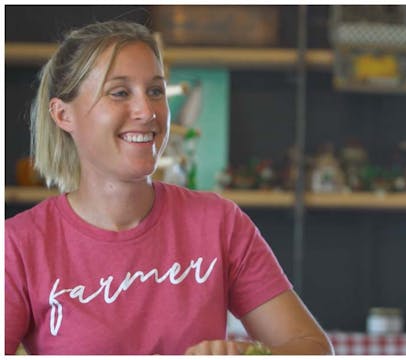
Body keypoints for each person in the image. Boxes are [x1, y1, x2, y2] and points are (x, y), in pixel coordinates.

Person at [4, 20, 333, 356]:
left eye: (156, 91)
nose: (147, 111)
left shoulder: (219, 223)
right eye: (119, 92)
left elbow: (313, 349)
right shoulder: (17, 245)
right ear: (63, 115)